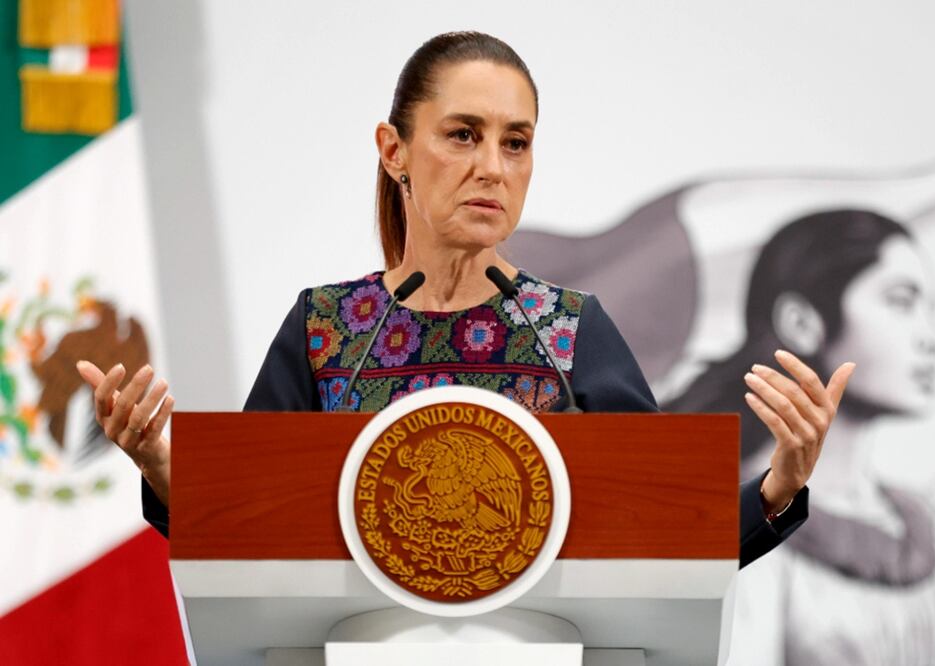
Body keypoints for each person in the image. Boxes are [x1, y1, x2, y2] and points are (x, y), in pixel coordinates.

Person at [74, 31, 854, 569]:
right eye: (463, 134)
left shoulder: (570, 333)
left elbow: (666, 545)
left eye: (515, 142)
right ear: (394, 150)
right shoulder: (325, 331)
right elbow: (247, 532)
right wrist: (162, 464)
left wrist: (782, 480)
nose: (493, 166)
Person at [667, 209, 935, 664]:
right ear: (802, 322)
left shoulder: (924, 526)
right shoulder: (739, 521)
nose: (933, 336)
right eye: (901, 301)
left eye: (930, 308)